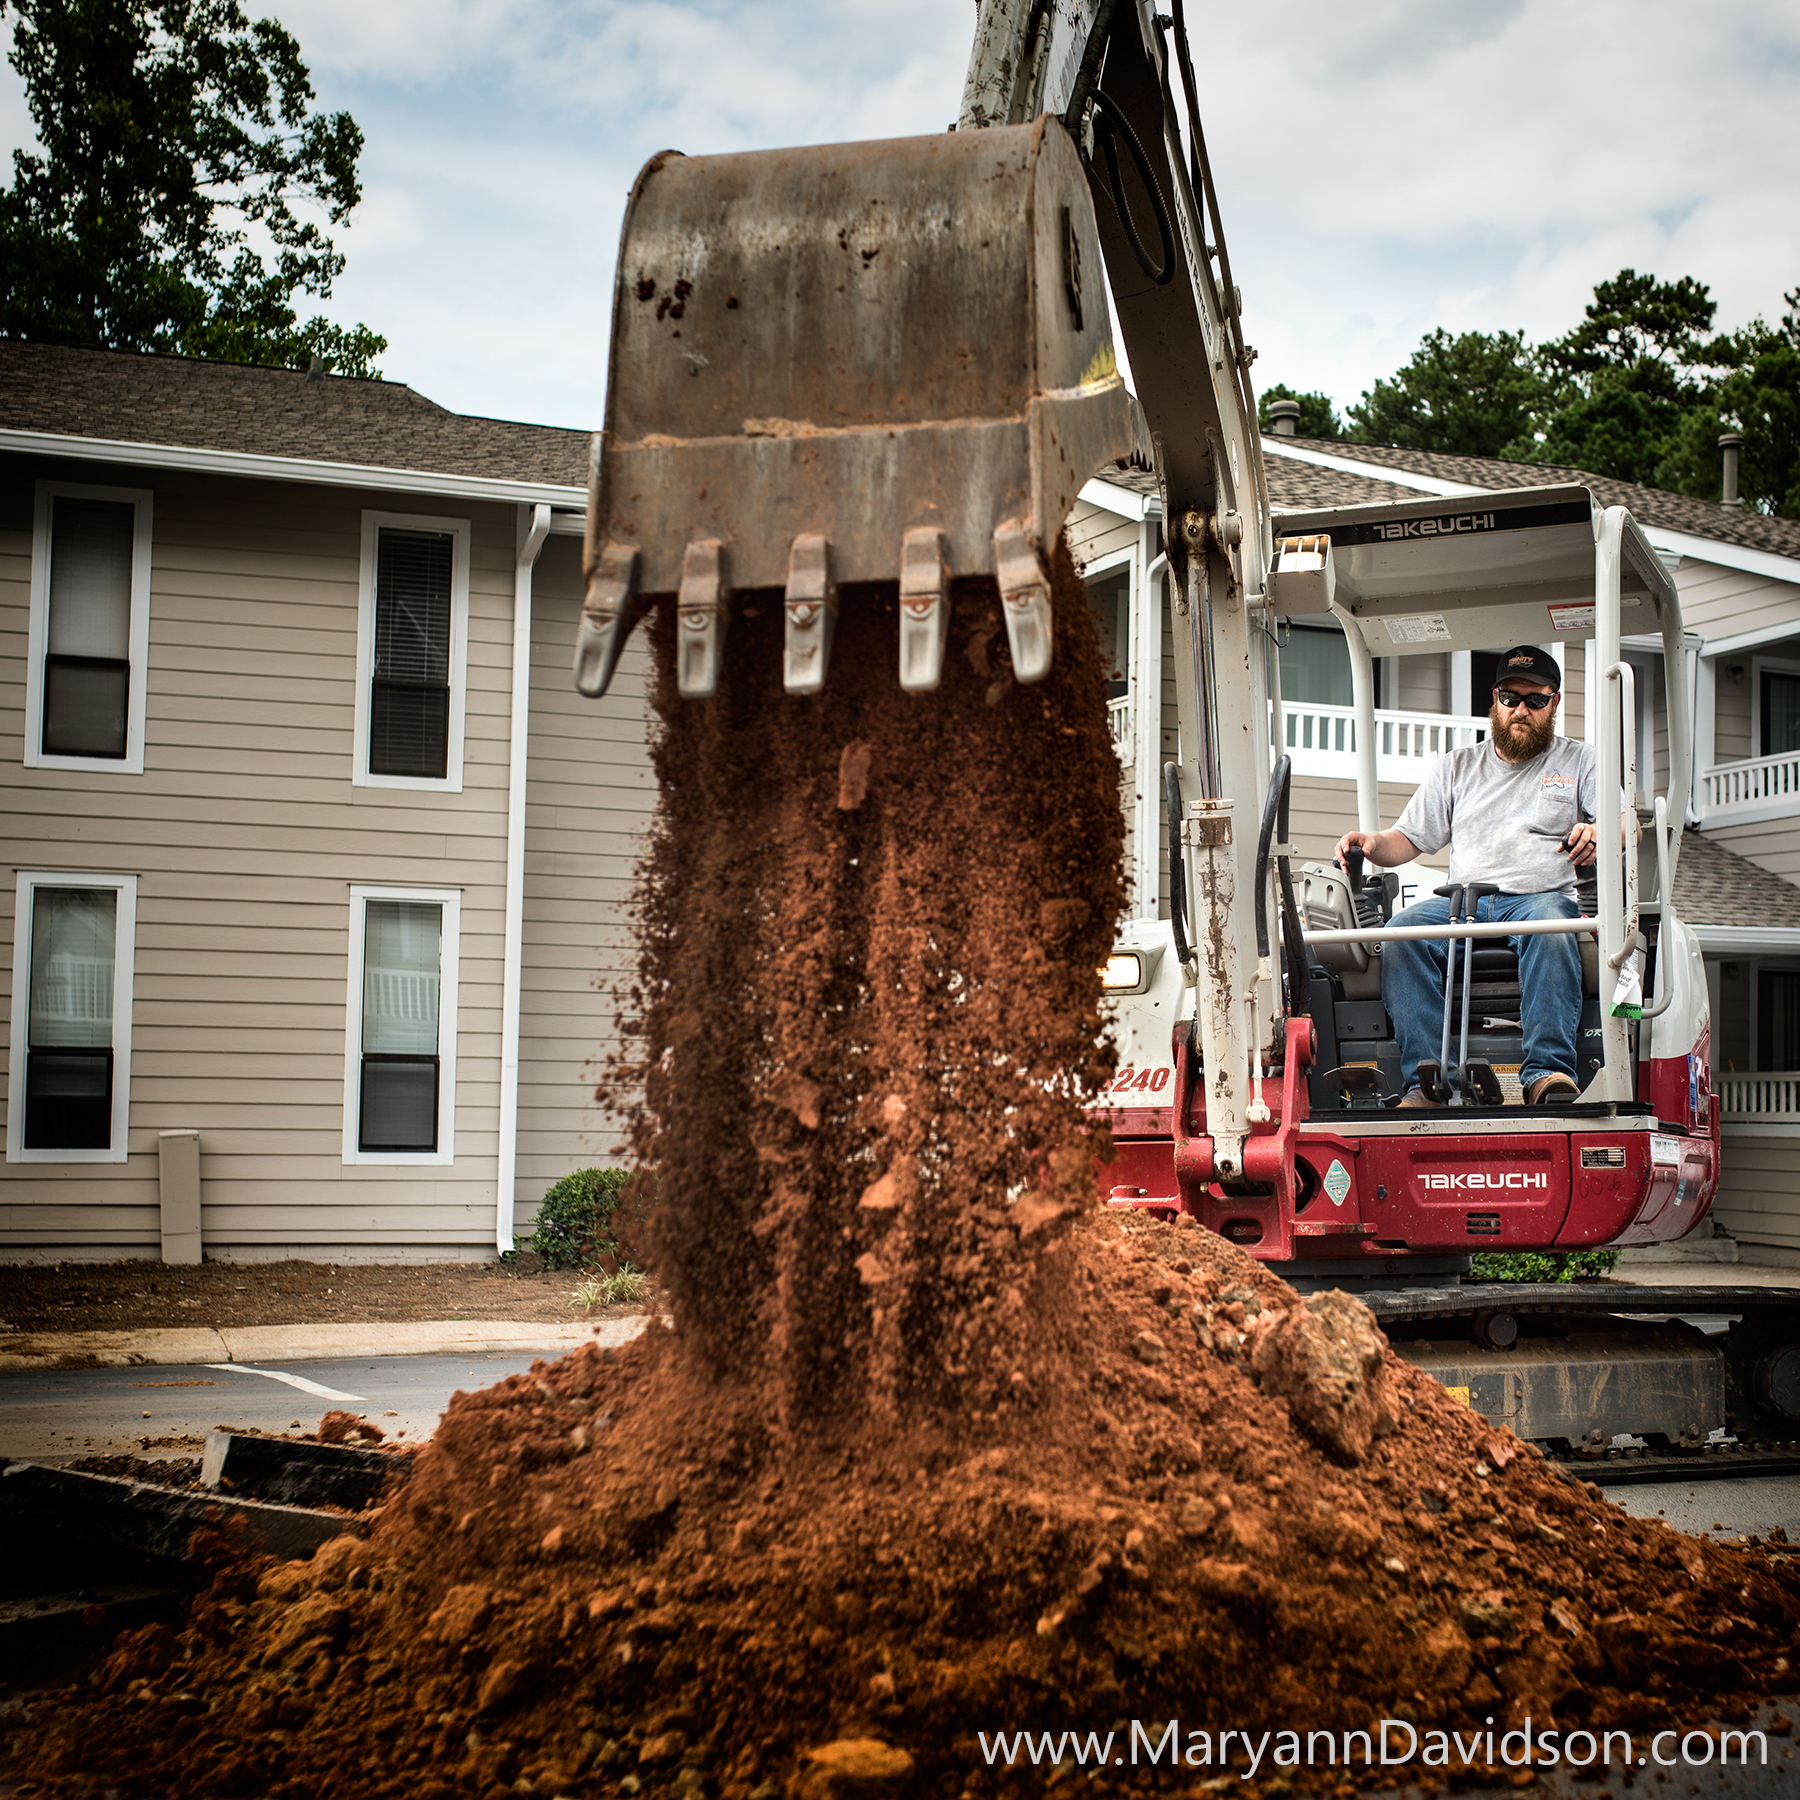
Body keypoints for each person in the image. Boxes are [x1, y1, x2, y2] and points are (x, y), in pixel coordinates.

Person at [1332, 645, 1598, 1107]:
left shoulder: (1580, 762)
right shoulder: (1458, 766)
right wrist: (1373, 842)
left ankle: (1548, 1073)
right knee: (1401, 934)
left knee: (1556, 926)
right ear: (1493, 699)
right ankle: (1429, 1083)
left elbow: (1625, 823)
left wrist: (1598, 829)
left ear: (1554, 703)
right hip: (1464, 904)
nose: (1521, 709)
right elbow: (1409, 839)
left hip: (1539, 899)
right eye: (1510, 697)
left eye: (1535, 700)